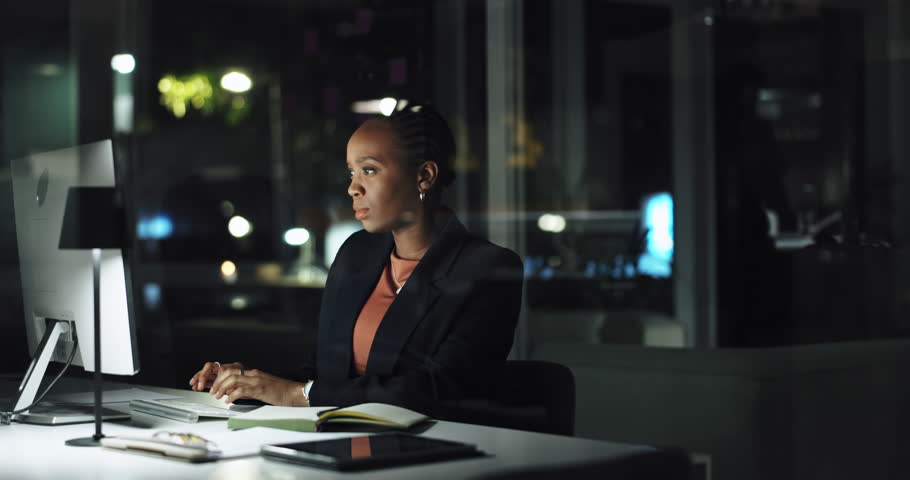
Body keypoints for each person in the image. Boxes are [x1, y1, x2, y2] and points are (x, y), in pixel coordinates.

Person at [189, 105, 523, 415]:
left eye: (369, 170)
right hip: (335, 436)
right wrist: (248, 383)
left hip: (430, 446)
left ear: (424, 176)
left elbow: (441, 390)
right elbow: (323, 374)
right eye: (351, 172)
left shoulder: (487, 269)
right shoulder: (357, 253)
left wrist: (297, 394)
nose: (353, 188)